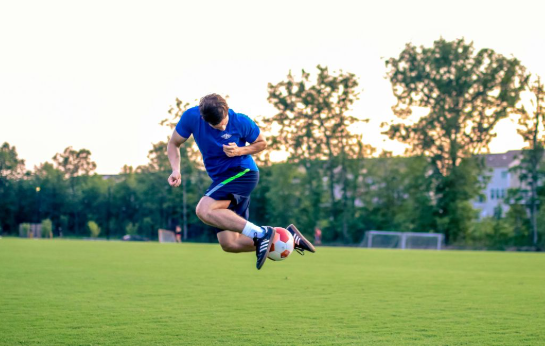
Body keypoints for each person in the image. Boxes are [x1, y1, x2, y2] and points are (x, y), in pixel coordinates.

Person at [167, 94, 315, 270]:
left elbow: (262, 143)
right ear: (203, 118)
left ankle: (262, 233)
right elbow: (173, 144)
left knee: (203, 210)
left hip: (242, 173)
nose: (222, 128)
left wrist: (240, 150)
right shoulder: (191, 117)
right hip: (221, 179)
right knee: (230, 244)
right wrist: (176, 169)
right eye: (216, 126)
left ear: (227, 110)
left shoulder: (241, 121)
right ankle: (289, 239)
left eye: (223, 122)